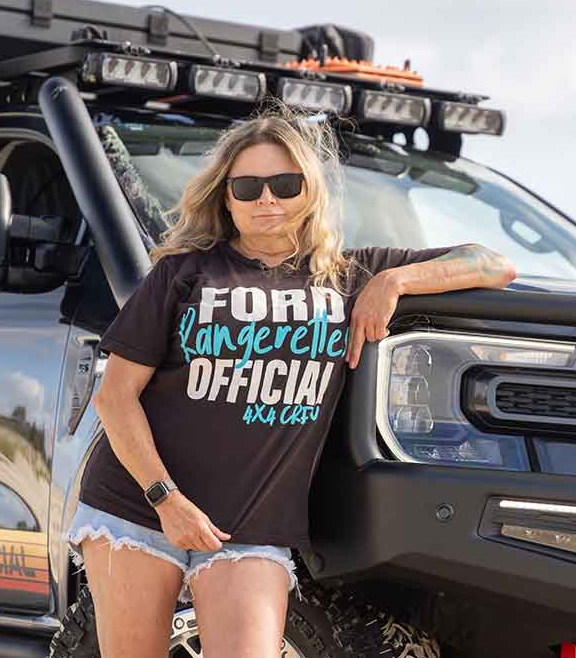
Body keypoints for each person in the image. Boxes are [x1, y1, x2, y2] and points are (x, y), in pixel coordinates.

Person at [64, 99, 517, 657]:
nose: (267, 199)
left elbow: (493, 262)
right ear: (225, 197)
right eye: (247, 187)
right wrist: (168, 501)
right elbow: (115, 397)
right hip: (138, 507)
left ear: (311, 190)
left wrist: (395, 281)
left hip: (252, 525)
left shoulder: (351, 273)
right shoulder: (184, 273)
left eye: (285, 183)